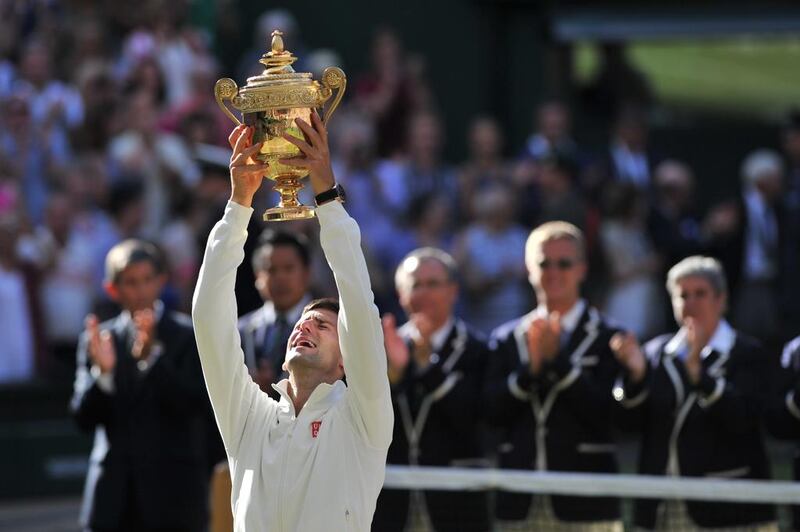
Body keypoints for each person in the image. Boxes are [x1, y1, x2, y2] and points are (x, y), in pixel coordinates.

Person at [192, 113, 393, 530]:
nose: (306, 326)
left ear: (346, 362)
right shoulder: (249, 417)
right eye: (304, 322)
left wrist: (327, 197)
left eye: (323, 326)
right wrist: (238, 206)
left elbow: (358, 303)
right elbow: (208, 319)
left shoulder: (364, 417)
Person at [611, 255, 776, 531]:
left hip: (728, 510)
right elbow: (626, 424)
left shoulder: (748, 353)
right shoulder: (654, 354)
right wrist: (635, 378)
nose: (690, 303)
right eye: (682, 295)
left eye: (700, 294)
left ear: (721, 300)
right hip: (661, 510)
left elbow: (744, 420)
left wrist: (700, 376)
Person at [485, 221, 624, 531]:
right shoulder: (505, 338)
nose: (554, 272)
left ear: (582, 269)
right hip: (520, 502)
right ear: (528, 269)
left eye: (564, 263)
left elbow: (612, 417)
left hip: (587, 503)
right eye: (544, 263)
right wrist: (529, 373)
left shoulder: (610, 336)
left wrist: (559, 365)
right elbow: (490, 414)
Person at [70, 239, 212, 532]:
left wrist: (153, 360)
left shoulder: (188, 335)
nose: (141, 290)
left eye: (148, 280)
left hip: (175, 499)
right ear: (113, 289)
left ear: (161, 281)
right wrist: (104, 374)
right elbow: (82, 417)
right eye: (131, 282)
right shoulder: (98, 340)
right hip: (113, 501)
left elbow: (196, 405)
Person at [373, 247, 490, 532]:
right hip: (392, 504)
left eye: (433, 284)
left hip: (456, 506)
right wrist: (395, 376)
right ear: (401, 294)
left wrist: (428, 368)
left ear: (453, 291)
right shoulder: (382, 348)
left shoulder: (479, 349)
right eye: (415, 285)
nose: (423, 293)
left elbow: (474, 421)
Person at [238, 229, 313, 397]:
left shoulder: (327, 328)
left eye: (288, 269)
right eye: (271, 270)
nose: (280, 278)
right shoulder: (240, 331)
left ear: (306, 273)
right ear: (257, 276)